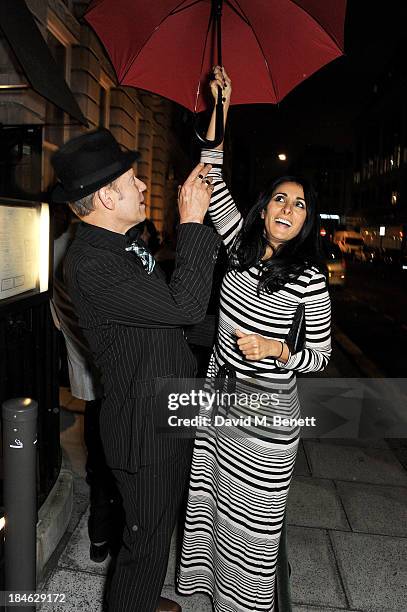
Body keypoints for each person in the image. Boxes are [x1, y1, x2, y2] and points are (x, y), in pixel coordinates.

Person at [177, 67, 332, 612]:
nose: (289, 210)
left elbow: (321, 356)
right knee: (211, 510)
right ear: (263, 207)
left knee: (253, 537)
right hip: (219, 404)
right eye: (281, 200)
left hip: (266, 423)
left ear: (306, 222)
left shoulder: (310, 277)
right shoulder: (239, 245)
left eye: (300, 206)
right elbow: (211, 174)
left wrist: (278, 350)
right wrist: (222, 104)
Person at [51, 128, 221, 612]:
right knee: (143, 546)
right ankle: (132, 600)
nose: (145, 186)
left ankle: (142, 599)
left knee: (159, 525)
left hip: (166, 406)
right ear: (106, 195)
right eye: (134, 179)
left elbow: (167, 318)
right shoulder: (91, 263)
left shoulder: (121, 245)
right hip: (142, 427)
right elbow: (185, 305)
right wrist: (190, 222)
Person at [50, 205, 122, 564]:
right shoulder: (89, 253)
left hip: (91, 373)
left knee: (99, 454)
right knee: (112, 457)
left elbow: (59, 315)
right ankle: (106, 533)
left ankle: (99, 536)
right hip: (110, 375)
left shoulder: (64, 250)